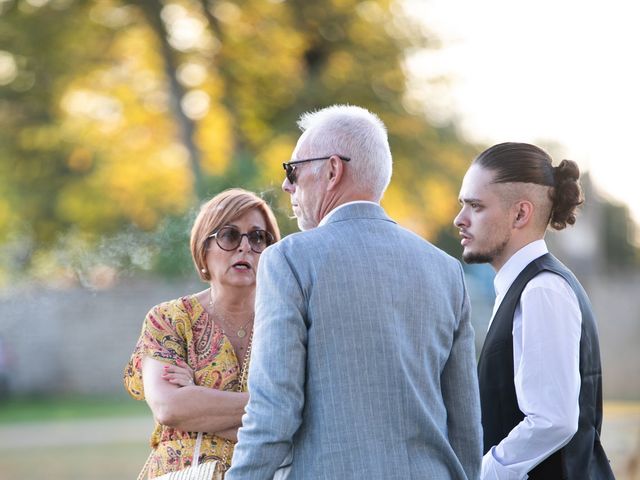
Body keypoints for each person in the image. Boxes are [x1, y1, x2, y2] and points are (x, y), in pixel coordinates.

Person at [226, 105, 482, 479]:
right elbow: (465, 422)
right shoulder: (446, 270)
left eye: (293, 170)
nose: (286, 185)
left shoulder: (290, 259)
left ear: (332, 170)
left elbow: (273, 411)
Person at [453, 142, 614, 479]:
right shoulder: (525, 287)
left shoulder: (542, 290)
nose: (460, 219)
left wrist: (482, 473)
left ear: (520, 214)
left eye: (476, 206)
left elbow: (552, 420)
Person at [124, 188, 280, 478]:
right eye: (230, 235)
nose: (245, 247)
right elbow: (170, 407)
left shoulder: (287, 321)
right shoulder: (169, 319)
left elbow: (305, 420)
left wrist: (200, 399)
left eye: (258, 237)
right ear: (202, 248)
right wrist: (275, 405)